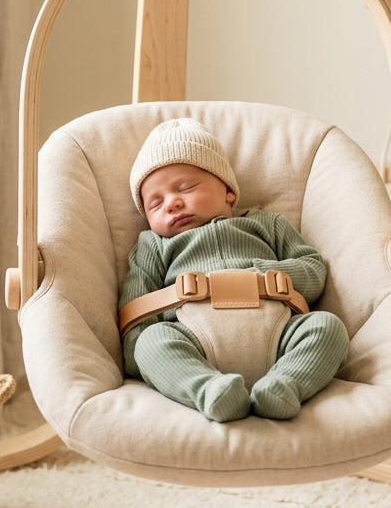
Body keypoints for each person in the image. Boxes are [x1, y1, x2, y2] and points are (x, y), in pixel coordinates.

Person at [118, 118, 348, 422]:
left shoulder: (268, 224)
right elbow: (137, 309)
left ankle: (284, 387)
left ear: (228, 190)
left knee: (328, 328)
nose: (171, 203)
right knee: (151, 342)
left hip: (278, 334)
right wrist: (142, 354)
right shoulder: (153, 245)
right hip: (194, 341)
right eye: (155, 204)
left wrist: (263, 275)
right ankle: (210, 390)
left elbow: (313, 271)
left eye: (185, 188)